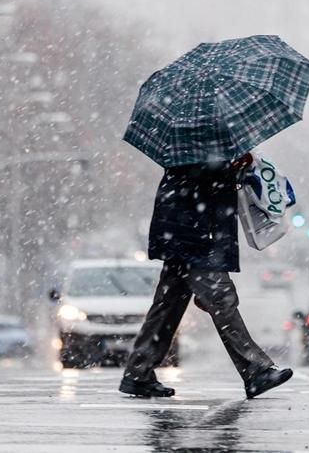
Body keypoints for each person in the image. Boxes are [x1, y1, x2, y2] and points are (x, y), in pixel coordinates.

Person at [120, 153, 294, 399]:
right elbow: (201, 180)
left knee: (167, 306)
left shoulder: (192, 141)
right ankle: (255, 370)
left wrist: (231, 168)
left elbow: (199, 180)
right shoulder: (201, 142)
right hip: (195, 236)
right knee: (222, 299)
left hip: (184, 233)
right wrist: (229, 168)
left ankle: (138, 373)